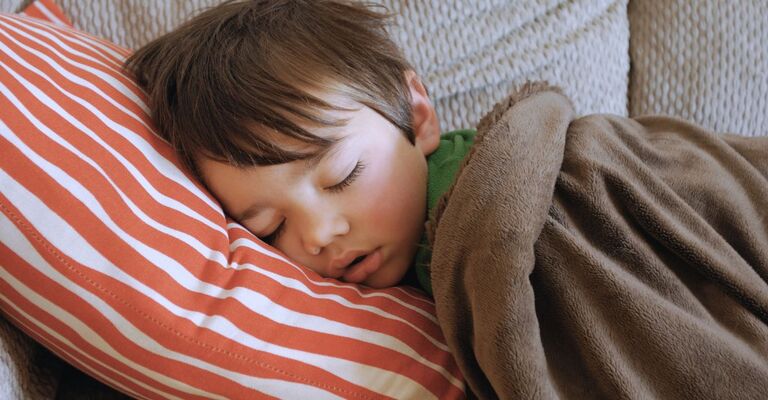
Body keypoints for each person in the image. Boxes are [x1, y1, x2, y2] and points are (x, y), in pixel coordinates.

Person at [124, 0, 474, 294]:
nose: (318, 235)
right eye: (270, 229)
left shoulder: (472, 201)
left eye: (343, 175)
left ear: (416, 114)